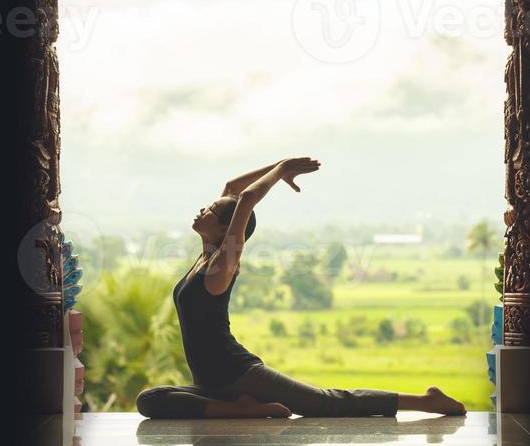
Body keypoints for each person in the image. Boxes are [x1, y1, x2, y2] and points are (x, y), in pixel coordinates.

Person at [136, 158, 467, 419]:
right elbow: (233, 188)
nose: (202, 209)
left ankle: (426, 401)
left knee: (322, 402)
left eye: (210, 210)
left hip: (237, 373)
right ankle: (242, 410)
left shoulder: (223, 263)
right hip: (209, 385)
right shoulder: (204, 255)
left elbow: (246, 198)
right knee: (150, 400)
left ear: (226, 228)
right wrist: (278, 163)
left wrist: (280, 172)